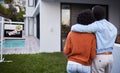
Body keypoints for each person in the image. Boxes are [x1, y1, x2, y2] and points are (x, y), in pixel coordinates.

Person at [71, 5, 117, 73]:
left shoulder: (96, 25)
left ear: (94, 15)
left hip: (100, 57)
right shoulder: (113, 27)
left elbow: (77, 28)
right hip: (110, 57)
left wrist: (73, 26)